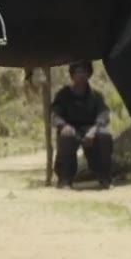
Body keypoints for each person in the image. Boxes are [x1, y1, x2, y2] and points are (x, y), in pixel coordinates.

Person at [50, 61, 114, 189]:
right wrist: (64, 126)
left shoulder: (96, 95)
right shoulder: (63, 95)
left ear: (89, 74)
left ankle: (104, 177)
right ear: (72, 75)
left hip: (91, 129)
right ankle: (65, 178)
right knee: (66, 136)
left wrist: (94, 130)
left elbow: (103, 113)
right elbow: (55, 114)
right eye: (78, 72)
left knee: (104, 135)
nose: (81, 75)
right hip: (70, 129)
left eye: (84, 72)